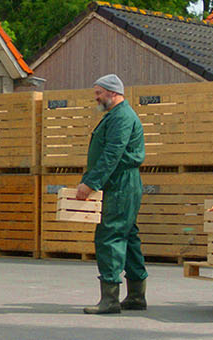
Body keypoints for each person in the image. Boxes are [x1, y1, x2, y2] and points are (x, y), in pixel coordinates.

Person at [76, 74, 147, 314]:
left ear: (113, 92)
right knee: (128, 236)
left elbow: (112, 153)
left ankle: (110, 299)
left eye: (99, 92)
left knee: (110, 236)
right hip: (120, 182)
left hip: (121, 183)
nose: (96, 97)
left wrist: (90, 183)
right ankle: (136, 295)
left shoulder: (122, 117)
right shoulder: (116, 116)